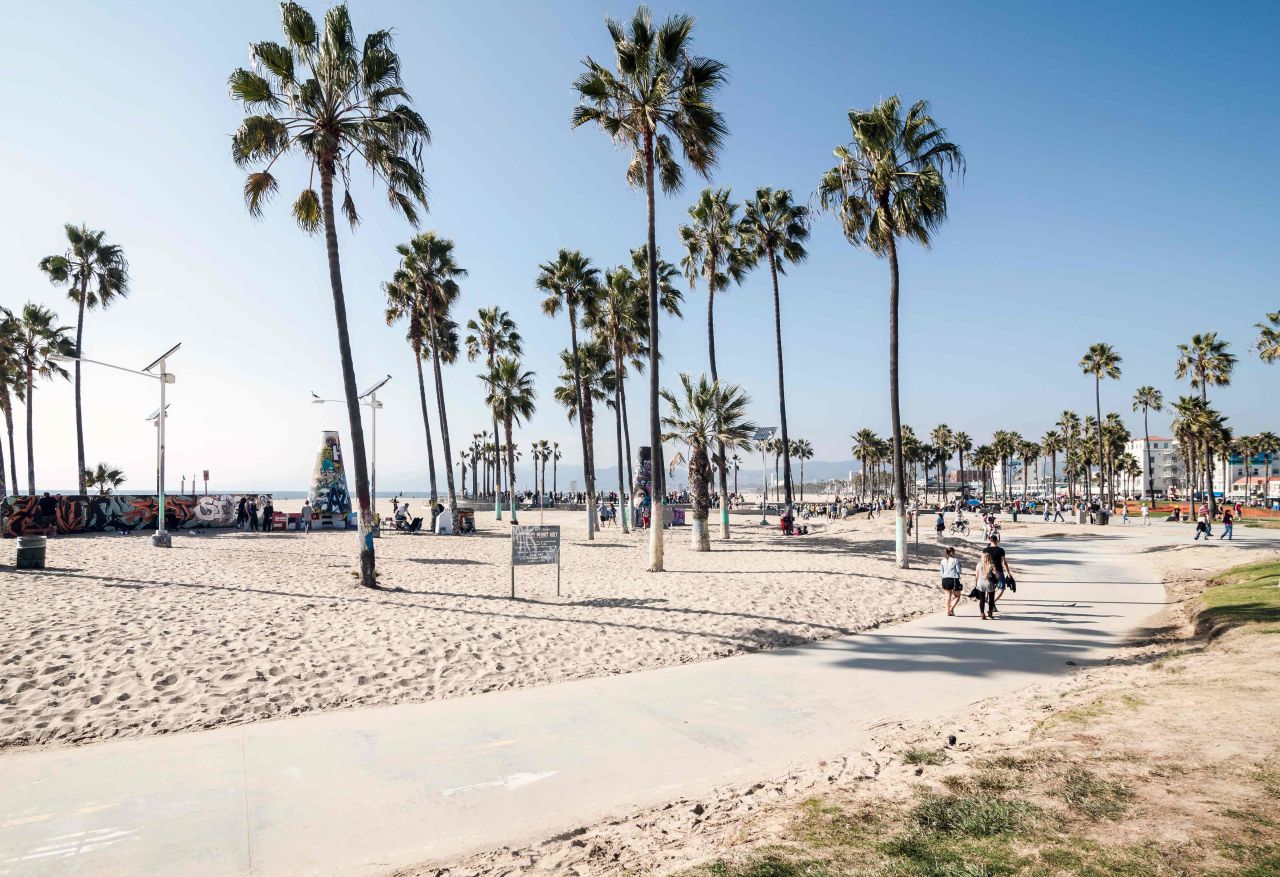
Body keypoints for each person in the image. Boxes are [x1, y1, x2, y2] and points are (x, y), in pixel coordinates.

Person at [981, 533, 1014, 612]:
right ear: (997, 541)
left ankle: (991, 603)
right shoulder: (1001, 550)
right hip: (998, 571)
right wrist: (1008, 572)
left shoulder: (985, 550)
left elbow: (983, 561)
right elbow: (1004, 562)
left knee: (989, 587)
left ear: (990, 540)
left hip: (987, 571)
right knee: (1001, 588)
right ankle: (992, 602)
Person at [940, 546, 963, 616]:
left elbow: (941, 572)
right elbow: (959, 571)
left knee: (948, 596)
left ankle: (947, 611)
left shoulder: (942, 561)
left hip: (944, 579)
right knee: (957, 596)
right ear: (952, 552)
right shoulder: (955, 560)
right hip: (953, 579)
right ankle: (951, 609)